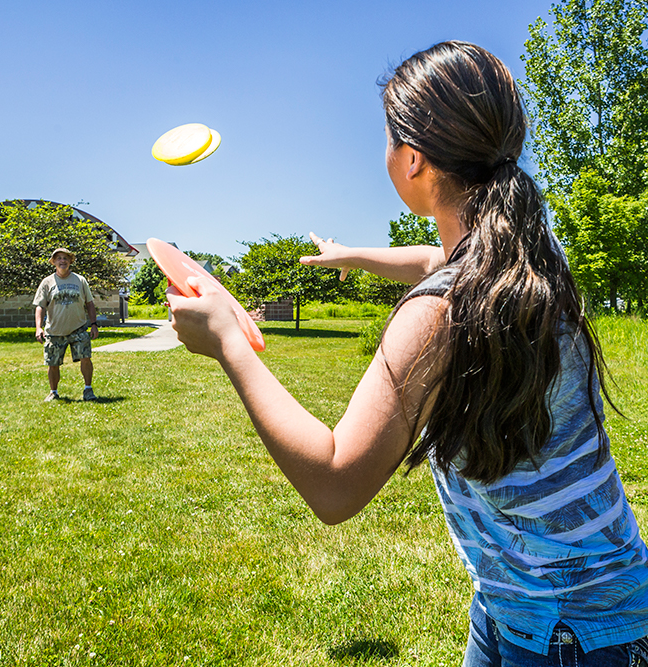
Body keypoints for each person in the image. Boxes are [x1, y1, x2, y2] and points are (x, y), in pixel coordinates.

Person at [166, 42, 648, 666]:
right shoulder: (529, 261)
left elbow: (335, 485)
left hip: (568, 636)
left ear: (412, 159)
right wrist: (350, 256)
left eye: (390, 139)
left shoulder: (438, 314)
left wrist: (230, 342)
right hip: (542, 605)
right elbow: (430, 258)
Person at [34, 248, 99, 402]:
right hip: (55, 330)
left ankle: (88, 390)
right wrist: (38, 327)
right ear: (54, 262)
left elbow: (89, 303)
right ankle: (53, 392)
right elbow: (40, 306)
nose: (62, 261)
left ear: (70, 261)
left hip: (79, 328)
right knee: (53, 363)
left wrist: (94, 324)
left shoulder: (80, 280)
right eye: (59, 258)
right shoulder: (47, 282)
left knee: (86, 358)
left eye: (65, 258)